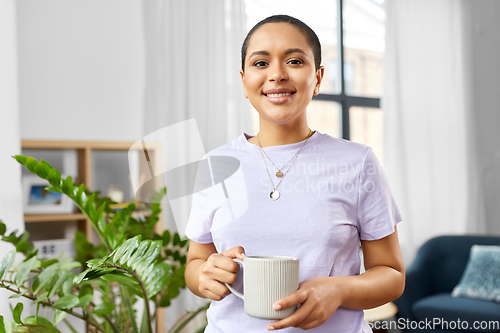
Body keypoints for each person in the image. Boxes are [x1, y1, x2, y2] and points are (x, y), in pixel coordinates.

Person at [184, 14, 405, 332]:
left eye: (294, 61)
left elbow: (391, 274)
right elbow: (195, 263)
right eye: (261, 64)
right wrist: (205, 276)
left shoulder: (358, 163)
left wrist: (339, 289)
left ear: (317, 78)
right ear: (244, 80)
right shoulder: (214, 164)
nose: (276, 74)